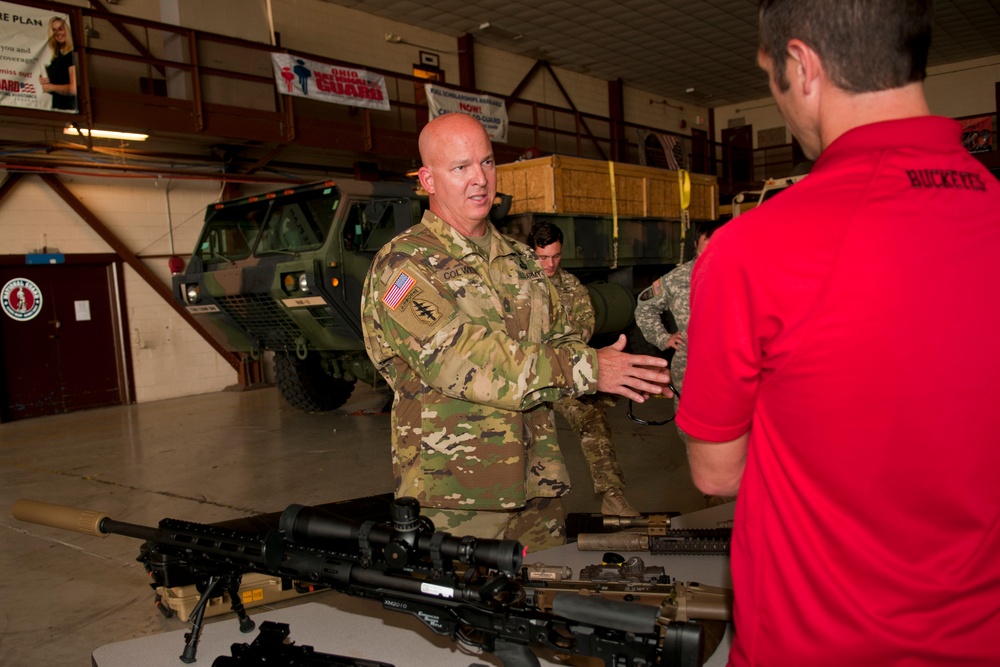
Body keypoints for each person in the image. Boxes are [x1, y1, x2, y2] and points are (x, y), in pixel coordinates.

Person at [677, 1, 1000, 665]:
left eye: (772, 77)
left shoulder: (751, 251)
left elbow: (717, 473)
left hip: (813, 643)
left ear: (803, 66)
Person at [361, 113, 671, 552]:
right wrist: (589, 368)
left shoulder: (522, 260)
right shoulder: (403, 268)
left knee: (540, 604)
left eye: (486, 163)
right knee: (465, 612)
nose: (479, 179)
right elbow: (461, 359)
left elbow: (560, 338)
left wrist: (628, 374)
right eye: (460, 167)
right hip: (458, 496)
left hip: (538, 486)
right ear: (428, 180)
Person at [526, 221, 640, 517]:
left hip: (564, 372)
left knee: (592, 419)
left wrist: (557, 350)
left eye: (555, 256)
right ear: (531, 252)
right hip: (525, 375)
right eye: (543, 257)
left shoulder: (571, 285)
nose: (550, 264)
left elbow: (585, 325)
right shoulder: (516, 284)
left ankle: (612, 496)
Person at [634, 221, 721, 439]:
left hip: (735, 368)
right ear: (695, 246)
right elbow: (645, 306)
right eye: (705, 251)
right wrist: (663, 337)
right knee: (691, 433)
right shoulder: (678, 279)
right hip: (691, 369)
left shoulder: (744, 274)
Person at [39, 17, 77, 112]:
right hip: (57, 108)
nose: (58, 33)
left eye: (60, 29)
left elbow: (74, 89)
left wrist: (51, 87)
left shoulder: (71, 56)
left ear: (66, 30)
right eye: (54, 30)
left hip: (70, 110)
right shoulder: (57, 57)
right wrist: (45, 78)